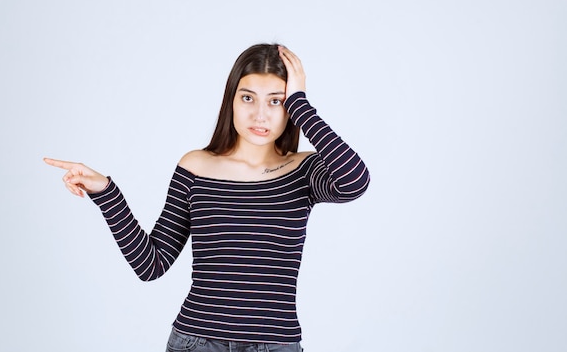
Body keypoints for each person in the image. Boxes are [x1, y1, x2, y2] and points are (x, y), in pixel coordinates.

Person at [44, 44, 370, 352]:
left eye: (275, 101)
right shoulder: (196, 166)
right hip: (197, 341)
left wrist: (300, 103)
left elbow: (354, 181)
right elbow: (151, 264)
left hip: (276, 343)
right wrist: (106, 193)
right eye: (248, 98)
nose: (260, 115)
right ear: (231, 100)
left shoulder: (302, 170)